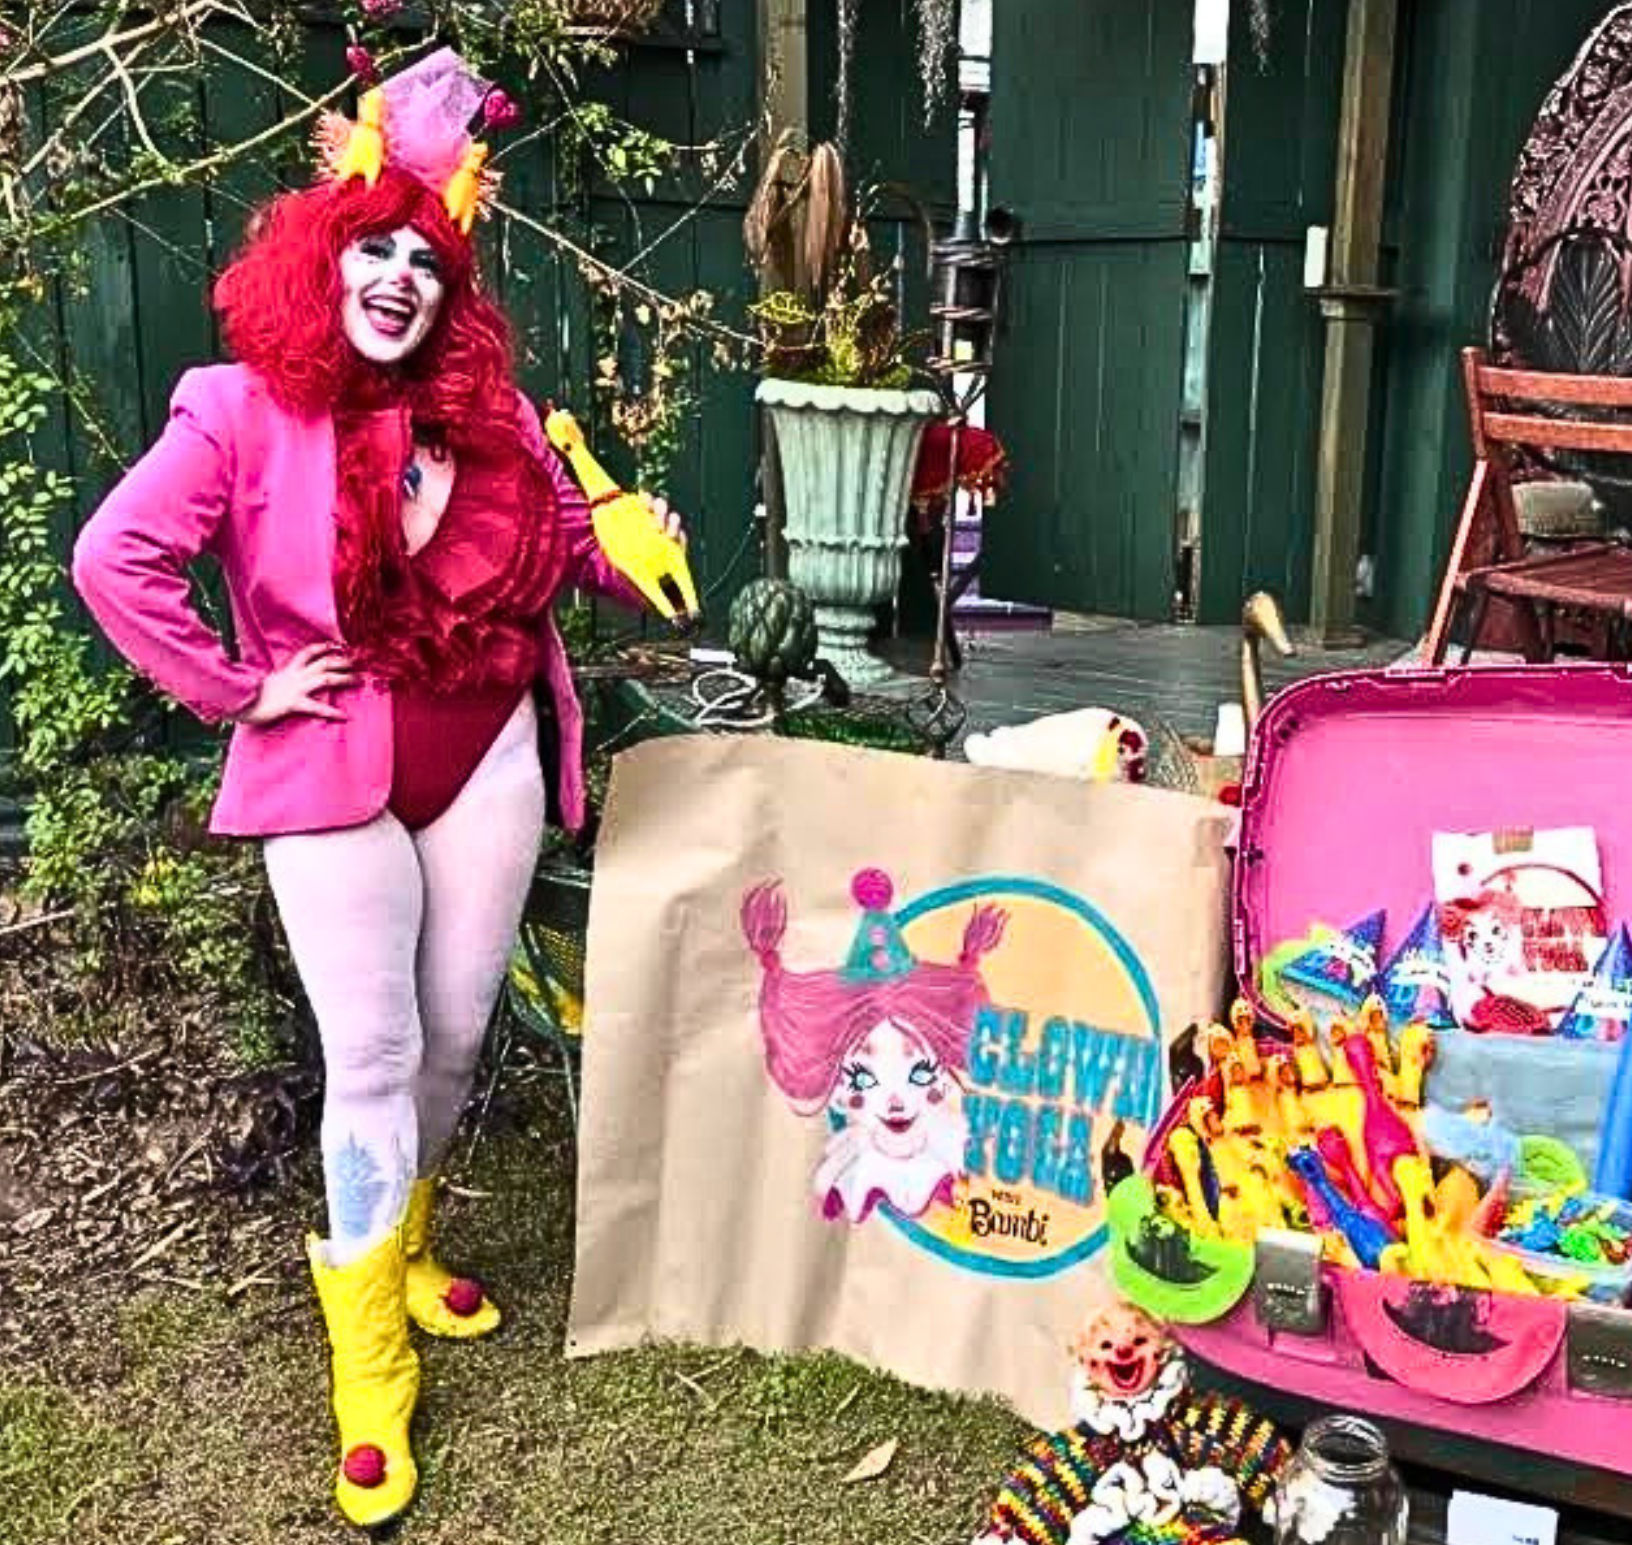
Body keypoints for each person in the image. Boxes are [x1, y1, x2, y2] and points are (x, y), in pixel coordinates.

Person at [69, 49, 681, 1529]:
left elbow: (570, 535)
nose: (401, 276)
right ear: (324, 258)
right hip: (333, 757)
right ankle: (367, 1357)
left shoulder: (497, 417)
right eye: (375, 248)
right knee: (374, 1053)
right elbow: (114, 559)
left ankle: (399, 1238)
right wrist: (234, 686)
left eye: (428, 257)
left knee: (459, 1037)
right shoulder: (234, 406)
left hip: (489, 751)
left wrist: (629, 538)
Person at [740, 869, 1005, 1225]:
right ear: (836, 1091)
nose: (895, 1101)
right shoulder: (843, 1163)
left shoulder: (959, 1148)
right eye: (865, 1078)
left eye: (920, 1072)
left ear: (943, 1079)